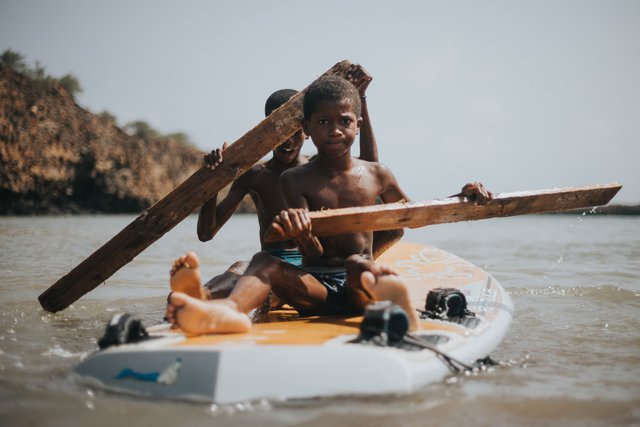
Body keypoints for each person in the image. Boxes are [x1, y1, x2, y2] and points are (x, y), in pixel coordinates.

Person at [165, 75, 492, 335]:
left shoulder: (372, 173)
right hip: (312, 283)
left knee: (359, 262)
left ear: (355, 126)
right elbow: (313, 256)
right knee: (256, 262)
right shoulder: (292, 179)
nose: (334, 130)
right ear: (307, 128)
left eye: (344, 122)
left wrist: (461, 197)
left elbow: (412, 214)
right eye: (322, 123)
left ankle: (394, 300)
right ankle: (221, 310)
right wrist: (302, 232)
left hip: (353, 283)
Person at [171, 64, 387, 302]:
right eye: (278, 135)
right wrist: (214, 180)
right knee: (242, 266)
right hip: (273, 261)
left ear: (306, 130)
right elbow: (206, 233)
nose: (286, 142)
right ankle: (195, 297)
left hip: (312, 267)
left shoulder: (316, 169)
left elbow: (368, 166)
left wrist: (361, 96)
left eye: (293, 133)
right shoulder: (255, 175)